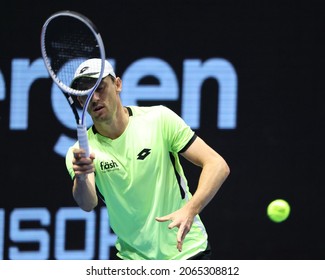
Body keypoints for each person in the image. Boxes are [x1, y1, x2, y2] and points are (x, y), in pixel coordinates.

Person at [65, 58, 230, 260]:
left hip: (187, 252)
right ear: (80, 101)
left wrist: (190, 210)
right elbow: (87, 203)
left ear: (117, 84)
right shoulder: (80, 151)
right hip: (133, 259)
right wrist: (82, 177)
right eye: (85, 93)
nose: (95, 98)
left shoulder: (159, 119)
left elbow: (217, 165)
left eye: (100, 88)